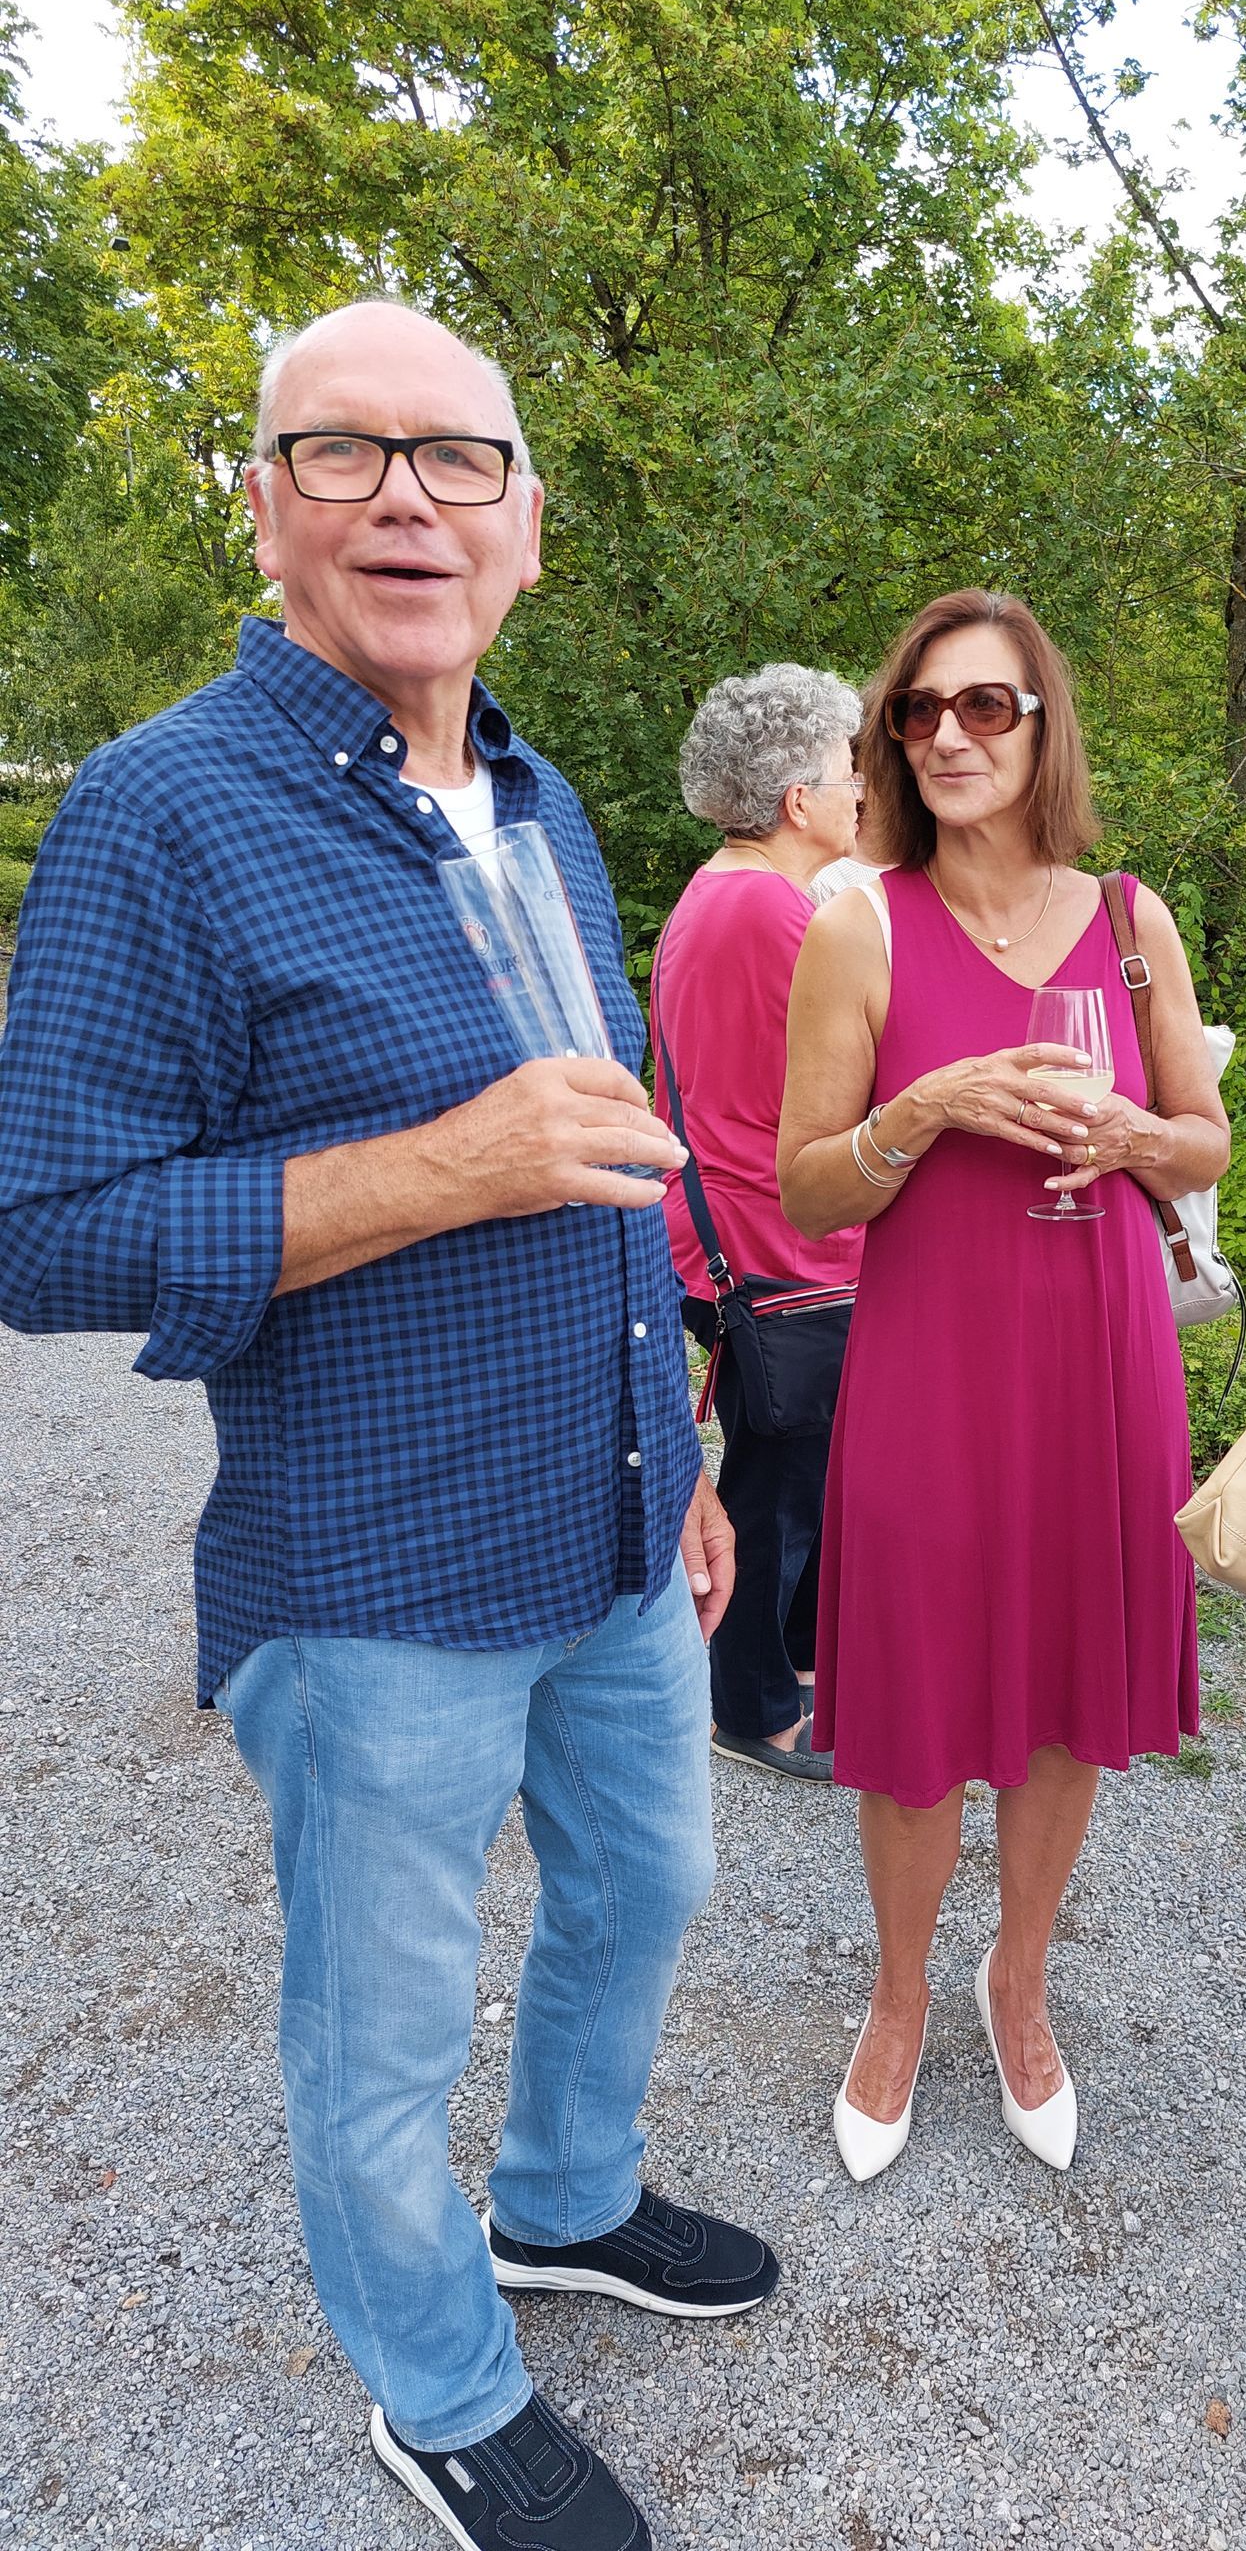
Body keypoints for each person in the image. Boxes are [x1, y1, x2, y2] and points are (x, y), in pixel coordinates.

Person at [0, 299, 777, 2551]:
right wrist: (437, 1167)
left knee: (650, 1881)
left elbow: (607, 1157)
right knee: (380, 2037)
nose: (410, 498)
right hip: (373, 1574)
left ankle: (565, 2199)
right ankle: (438, 2385)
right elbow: (39, 1229)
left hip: (613, 1522)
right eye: (344, 453)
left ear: (528, 527)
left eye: (461, 459)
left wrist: (686, 1443)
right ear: (266, 510)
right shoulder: (163, 809)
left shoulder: (538, 799)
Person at [777, 587, 1230, 2181]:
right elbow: (809, 1190)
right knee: (913, 1700)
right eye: (918, 711)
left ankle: (1017, 1981)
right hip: (931, 1360)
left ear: (1044, 729)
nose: (948, 736)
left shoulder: (1130, 920)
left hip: (1099, 1355)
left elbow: (1202, 1142)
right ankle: (899, 1996)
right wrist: (927, 1112)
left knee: (1063, 1696)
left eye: (985, 706)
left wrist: (1139, 1138)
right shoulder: (859, 925)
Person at [654, 664, 865, 1782]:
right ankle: (752, 1710)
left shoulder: (725, 891)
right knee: (778, 1485)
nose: (862, 791)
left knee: (803, 1470)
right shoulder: (774, 910)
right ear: (797, 799)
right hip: (773, 1249)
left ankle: (794, 1668)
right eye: (848, 770)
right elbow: (860, 1071)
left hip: (741, 1233)